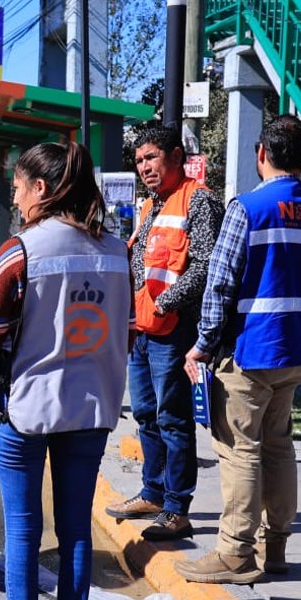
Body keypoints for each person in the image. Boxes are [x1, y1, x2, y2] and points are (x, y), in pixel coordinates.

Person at [0, 140, 131, 600]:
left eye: (18, 186)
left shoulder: (20, 251)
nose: (14, 197)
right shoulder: (117, 250)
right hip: (92, 407)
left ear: (42, 189)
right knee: (76, 532)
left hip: (27, 409)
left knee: (22, 530)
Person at [177, 115, 301, 584]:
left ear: (261, 154)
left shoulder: (247, 209)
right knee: (278, 447)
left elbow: (221, 283)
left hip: (249, 353)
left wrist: (203, 345)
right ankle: (277, 547)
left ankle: (234, 552)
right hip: (293, 353)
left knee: (240, 451)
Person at [104, 124, 222, 541]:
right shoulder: (150, 205)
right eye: (139, 161)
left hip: (173, 331)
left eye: (151, 157)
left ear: (176, 157)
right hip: (142, 331)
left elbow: (207, 265)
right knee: (145, 416)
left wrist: (165, 303)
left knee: (173, 419)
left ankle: (176, 508)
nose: (144, 167)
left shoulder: (199, 201)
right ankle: (152, 493)